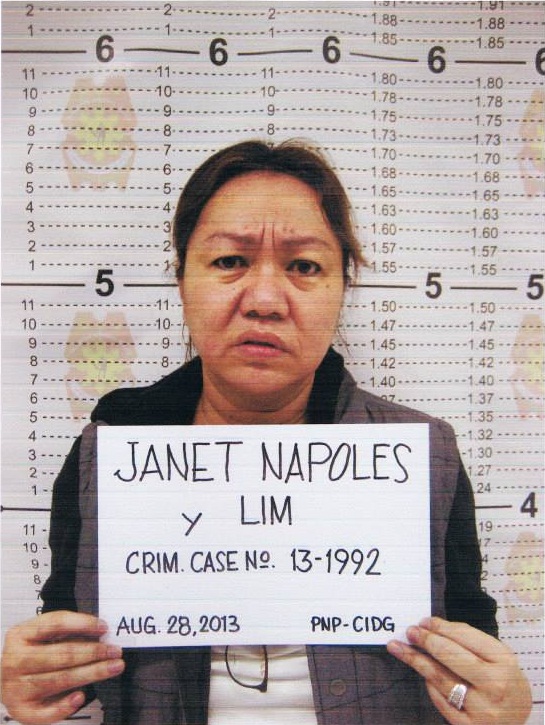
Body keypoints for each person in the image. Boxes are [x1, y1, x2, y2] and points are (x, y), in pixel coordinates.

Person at [1, 140, 532, 725]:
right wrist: (35, 681)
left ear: (342, 287)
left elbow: (468, 653)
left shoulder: (423, 458)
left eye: (304, 267)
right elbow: (69, 657)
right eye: (229, 261)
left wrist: (493, 704)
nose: (264, 300)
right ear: (182, 281)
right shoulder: (106, 457)